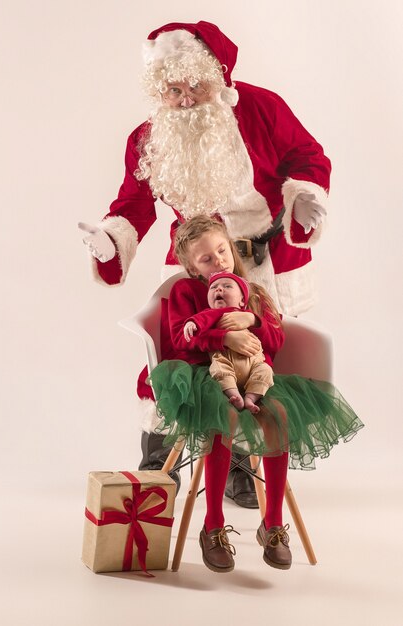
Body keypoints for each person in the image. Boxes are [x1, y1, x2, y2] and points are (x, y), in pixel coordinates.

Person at [79, 20, 332, 507]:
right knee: (174, 359)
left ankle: (241, 467)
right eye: (172, 89)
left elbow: (307, 156)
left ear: (215, 77)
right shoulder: (148, 138)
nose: (185, 98)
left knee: (253, 362)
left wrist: (302, 199)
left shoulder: (260, 108)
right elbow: (132, 205)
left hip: (260, 266)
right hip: (194, 269)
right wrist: (110, 241)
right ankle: (157, 465)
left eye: (194, 84)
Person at [149, 215, 364, 573]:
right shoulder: (186, 292)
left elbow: (277, 341)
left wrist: (253, 322)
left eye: (221, 251)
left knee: (278, 415)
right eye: (206, 258)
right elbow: (179, 338)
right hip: (205, 375)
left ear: (230, 248)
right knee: (225, 416)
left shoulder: (255, 293)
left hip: (254, 376)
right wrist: (224, 337)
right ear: (190, 266)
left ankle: (273, 525)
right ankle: (213, 525)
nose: (218, 260)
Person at [183, 271, 274, 414]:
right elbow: (201, 319)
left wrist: (253, 319)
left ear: (242, 300)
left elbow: (271, 335)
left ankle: (250, 397)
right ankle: (234, 394)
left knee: (266, 371)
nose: (219, 289)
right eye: (213, 287)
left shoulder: (247, 315)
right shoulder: (213, 313)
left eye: (227, 286)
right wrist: (192, 323)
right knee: (219, 368)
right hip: (226, 359)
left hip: (254, 364)